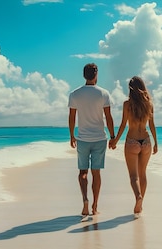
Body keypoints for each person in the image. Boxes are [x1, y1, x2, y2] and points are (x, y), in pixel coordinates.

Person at [68, 63, 115, 218]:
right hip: (100, 138)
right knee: (96, 173)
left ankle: (85, 201)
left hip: (82, 138)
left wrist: (71, 135)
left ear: (84, 75)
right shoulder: (104, 93)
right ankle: (95, 206)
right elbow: (108, 117)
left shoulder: (75, 94)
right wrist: (113, 136)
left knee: (82, 172)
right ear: (96, 74)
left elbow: (72, 117)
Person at [109, 76, 158, 216]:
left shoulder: (127, 104)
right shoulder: (149, 104)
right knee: (143, 174)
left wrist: (115, 141)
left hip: (132, 142)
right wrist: (155, 143)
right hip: (146, 141)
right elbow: (152, 125)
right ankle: (140, 204)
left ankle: (138, 197)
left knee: (133, 176)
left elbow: (123, 125)